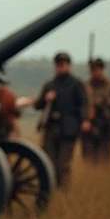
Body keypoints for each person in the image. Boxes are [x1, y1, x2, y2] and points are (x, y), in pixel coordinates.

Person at [34, 52, 90, 189]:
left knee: (63, 164)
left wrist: (84, 120)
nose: (61, 67)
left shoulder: (77, 84)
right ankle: (51, 189)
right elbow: (38, 105)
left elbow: (84, 103)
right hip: (51, 128)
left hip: (68, 129)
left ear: (69, 65)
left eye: (63, 64)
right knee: (49, 163)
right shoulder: (50, 84)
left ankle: (63, 190)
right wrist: (46, 99)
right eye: (58, 65)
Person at [81, 58, 110, 164]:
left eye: (98, 69)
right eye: (93, 70)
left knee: (104, 160)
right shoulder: (86, 86)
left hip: (105, 127)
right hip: (90, 126)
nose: (96, 72)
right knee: (88, 160)